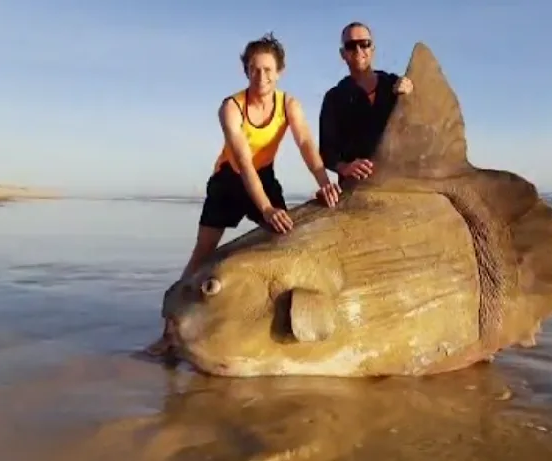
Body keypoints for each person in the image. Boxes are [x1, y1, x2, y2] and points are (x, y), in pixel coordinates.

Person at [145, 33, 342, 357]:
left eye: (267, 70)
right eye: (254, 69)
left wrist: (324, 180)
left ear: (279, 71)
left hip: (264, 176)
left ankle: (268, 323)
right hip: (229, 179)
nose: (260, 77)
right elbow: (243, 161)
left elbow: (306, 143)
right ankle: (170, 332)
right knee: (203, 253)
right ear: (246, 71)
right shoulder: (231, 107)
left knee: (285, 240)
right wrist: (265, 209)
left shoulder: (289, 104)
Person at [319, 22, 414, 186]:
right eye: (350, 46)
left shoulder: (395, 86)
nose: (358, 50)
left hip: (399, 183)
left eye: (364, 44)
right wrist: (344, 167)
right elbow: (327, 152)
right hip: (357, 189)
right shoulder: (334, 98)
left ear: (373, 49)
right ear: (343, 53)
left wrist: (413, 95)